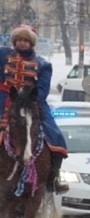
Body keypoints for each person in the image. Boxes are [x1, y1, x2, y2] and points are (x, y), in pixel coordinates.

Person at [0, 24, 69, 193]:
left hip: (32, 103)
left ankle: (53, 178)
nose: (22, 43)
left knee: (56, 136)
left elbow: (43, 90)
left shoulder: (43, 64)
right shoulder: (2, 55)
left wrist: (28, 100)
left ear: (31, 43)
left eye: (26, 40)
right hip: (3, 99)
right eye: (19, 40)